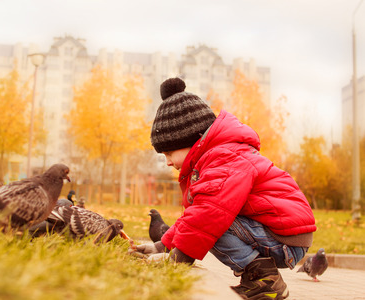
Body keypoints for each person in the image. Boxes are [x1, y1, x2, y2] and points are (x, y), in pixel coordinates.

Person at [132, 77, 316, 300]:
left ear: (193, 139)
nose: (168, 162)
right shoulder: (216, 156)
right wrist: (162, 246)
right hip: (281, 234)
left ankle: (266, 281)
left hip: (284, 239)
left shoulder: (224, 158)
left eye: (169, 153)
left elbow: (208, 216)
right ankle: (258, 279)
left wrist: (177, 259)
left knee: (211, 221)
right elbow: (196, 215)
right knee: (205, 217)